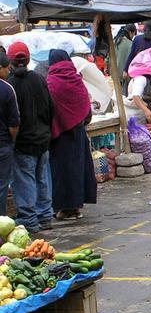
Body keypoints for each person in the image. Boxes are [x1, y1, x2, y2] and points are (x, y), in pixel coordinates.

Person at [7, 42, 54, 233]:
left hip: (23, 141)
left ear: (10, 62)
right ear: (27, 60)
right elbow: (51, 109)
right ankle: (45, 216)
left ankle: (29, 218)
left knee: (25, 180)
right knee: (42, 178)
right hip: (42, 138)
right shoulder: (39, 80)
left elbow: (13, 119)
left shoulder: (10, 85)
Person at [46, 49, 97, 221]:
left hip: (60, 134)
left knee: (61, 172)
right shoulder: (77, 80)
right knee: (77, 169)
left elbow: (49, 110)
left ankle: (64, 209)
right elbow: (86, 109)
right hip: (77, 133)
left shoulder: (51, 82)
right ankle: (74, 207)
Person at [0, 54, 19, 216]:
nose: (8, 71)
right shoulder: (7, 89)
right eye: (7, 68)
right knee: (1, 186)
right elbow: (14, 124)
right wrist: (12, 141)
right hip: (3, 144)